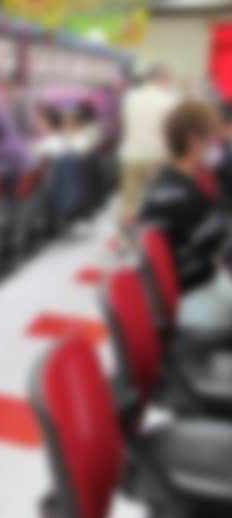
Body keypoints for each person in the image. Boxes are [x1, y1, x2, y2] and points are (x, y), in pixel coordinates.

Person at [138, 100, 232, 333]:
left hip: (193, 286)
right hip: (196, 296)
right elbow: (224, 247)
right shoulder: (183, 194)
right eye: (212, 137)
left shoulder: (168, 181)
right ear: (194, 140)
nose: (216, 144)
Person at [119, 66, 179, 226]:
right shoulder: (169, 100)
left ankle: (128, 231)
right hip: (158, 154)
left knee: (130, 199)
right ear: (162, 79)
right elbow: (172, 129)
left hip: (131, 154)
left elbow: (124, 124)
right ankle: (151, 233)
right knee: (156, 197)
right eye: (168, 79)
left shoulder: (131, 97)